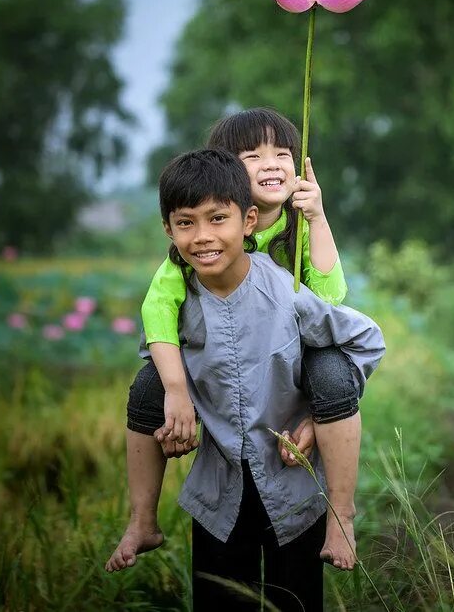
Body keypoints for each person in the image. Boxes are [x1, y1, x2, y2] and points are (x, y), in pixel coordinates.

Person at [106, 108, 367, 574]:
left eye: (282, 154)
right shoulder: (205, 241)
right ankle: (142, 519)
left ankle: (340, 514)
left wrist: (319, 216)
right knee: (149, 384)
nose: (270, 164)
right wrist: (177, 391)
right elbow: (157, 311)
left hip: (296, 359)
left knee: (329, 370)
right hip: (225, 366)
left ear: (245, 220)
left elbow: (330, 301)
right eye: (253, 155)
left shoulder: (296, 227)